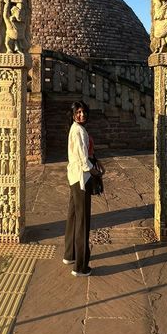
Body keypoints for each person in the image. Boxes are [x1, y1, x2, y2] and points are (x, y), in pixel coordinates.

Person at [64, 101, 105, 277]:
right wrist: (94, 171)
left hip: (75, 177)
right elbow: (82, 158)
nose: (82, 115)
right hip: (82, 178)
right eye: (78, 112)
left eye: (84, 112)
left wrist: (97, 161)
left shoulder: (78, 129)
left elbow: (86, 152)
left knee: (73, 217)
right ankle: (80, 267)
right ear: (73, 114)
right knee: (82, 222)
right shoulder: (78, 130)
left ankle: (70, 255)